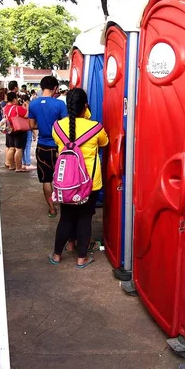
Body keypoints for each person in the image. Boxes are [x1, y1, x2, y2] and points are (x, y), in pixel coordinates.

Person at [49, 88, 108, 268]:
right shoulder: (96, 127)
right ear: (85, 106)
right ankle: (82, 258)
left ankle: (58, 254)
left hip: (65, 182)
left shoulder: (57, 127)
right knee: (84, 218)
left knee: (66, 217)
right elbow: (104, 143)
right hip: (90, 182)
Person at [28, 76, 67, 217]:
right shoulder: (60, 105)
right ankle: (65, 207)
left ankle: (52, 209)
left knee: (46, 179)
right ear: (55, 88)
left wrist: (44, 127)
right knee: (62, 177)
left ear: (41, 86)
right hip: (58, 147)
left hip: (42, 146)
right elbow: (66, 126)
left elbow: (31, 126)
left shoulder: (33, 104)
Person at [3, 92, 30, 172]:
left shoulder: (5, 107)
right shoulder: (17, 108)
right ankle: (18, 167)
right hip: (17, 129)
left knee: (11, 148)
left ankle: (11, 165)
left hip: (9, 129)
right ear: (14, 99)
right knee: (18, 149)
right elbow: (27, 115)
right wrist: (27, 106)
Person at [21, 96, 36, 171]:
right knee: (28, 145)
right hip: (27, 128)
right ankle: (28, 163)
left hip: (21, 129)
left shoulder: (20, 108)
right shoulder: (27, 108)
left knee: (23, 146)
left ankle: (23, 162)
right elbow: (28, 117)